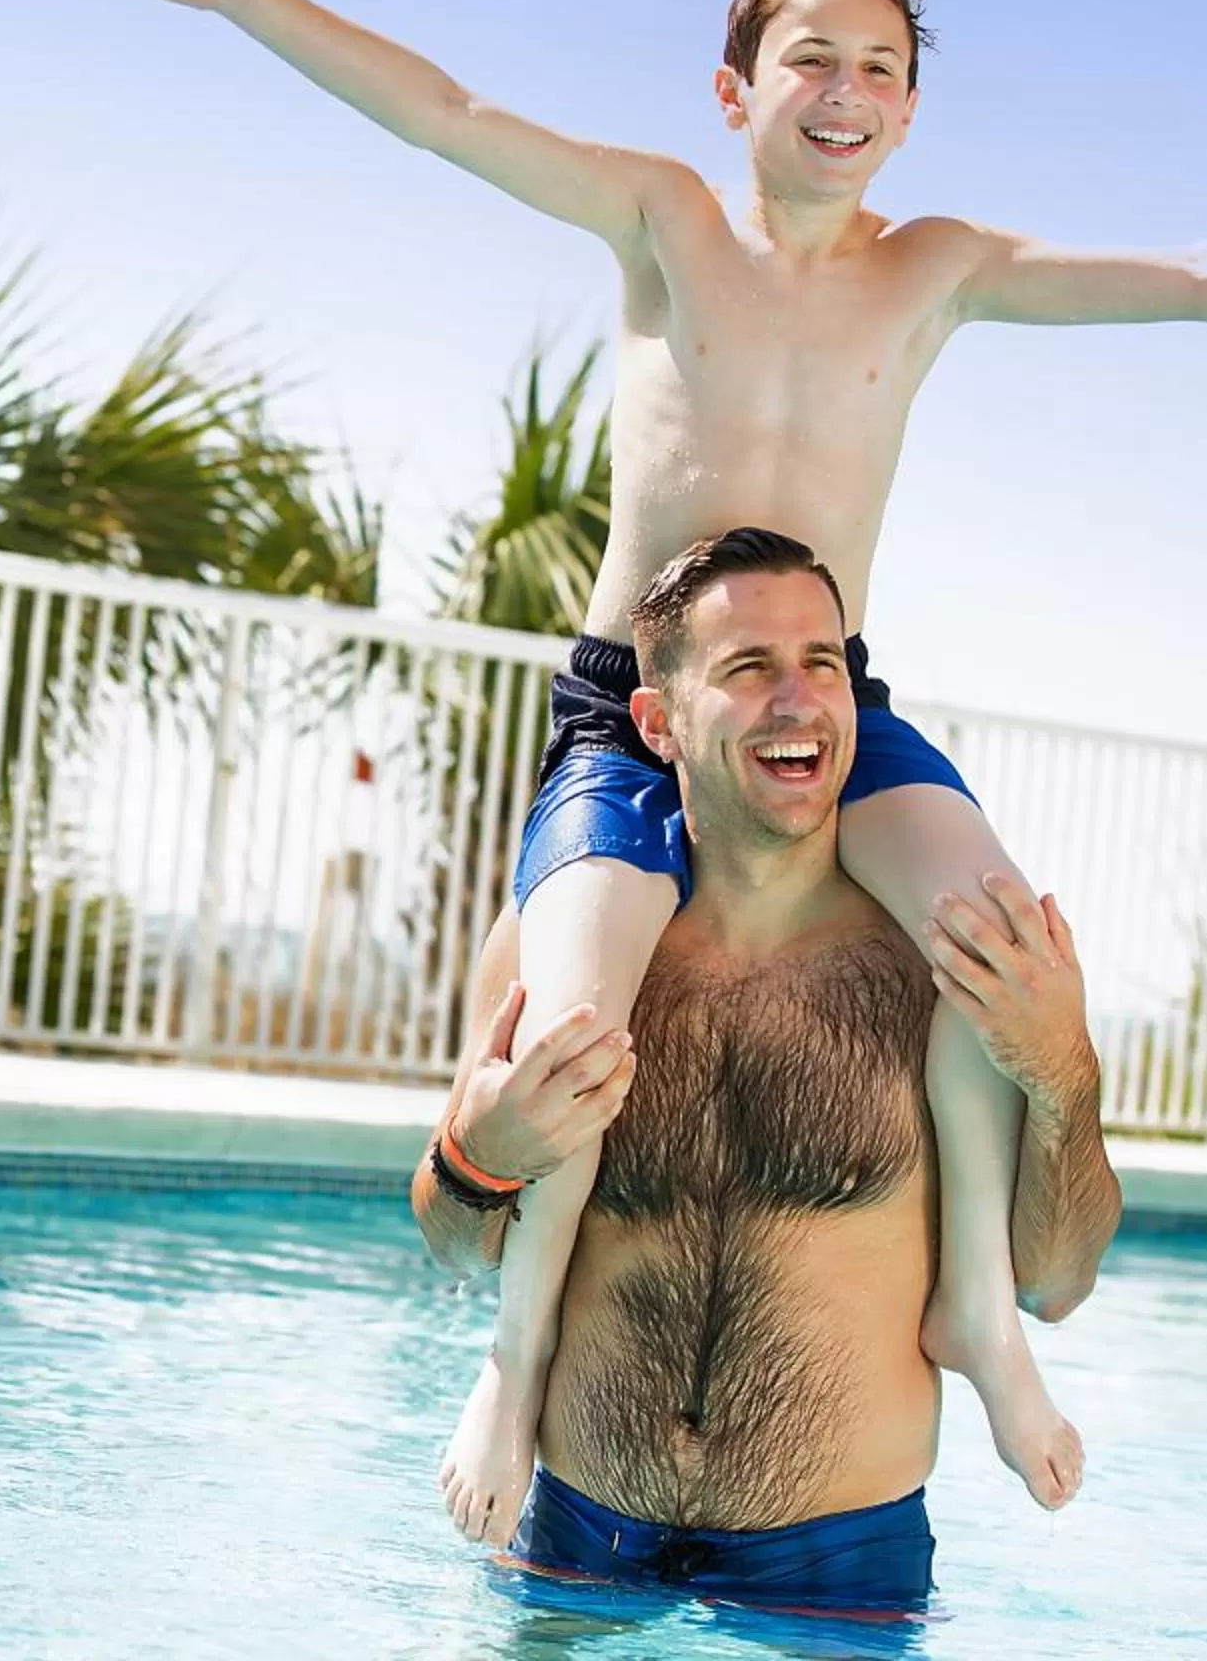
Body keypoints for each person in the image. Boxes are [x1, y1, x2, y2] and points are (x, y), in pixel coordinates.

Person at [97, 0, 1207, 1530]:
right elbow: (447, 113)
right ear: (733, 88)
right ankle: (512, 1357)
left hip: (828, 700)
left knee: (988, 938)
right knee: (570, 1020)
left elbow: (1198, 279)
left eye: (880, 68)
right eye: (809, 59)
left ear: (909, 106)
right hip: (642, 706)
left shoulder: (936, 271)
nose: (844, 94)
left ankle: (978, 1308)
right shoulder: (664, 221)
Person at [417, 531, 1120, 1613]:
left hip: (834, 1572)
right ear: (659, 721)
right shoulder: (558, 943)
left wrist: (1064, 1073)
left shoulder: (935, 960)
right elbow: (456, 1247)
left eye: (824, 665)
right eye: (749, 670)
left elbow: (1060, 1282)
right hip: (573, 1539)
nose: (798, 702)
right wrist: (479, 1161)